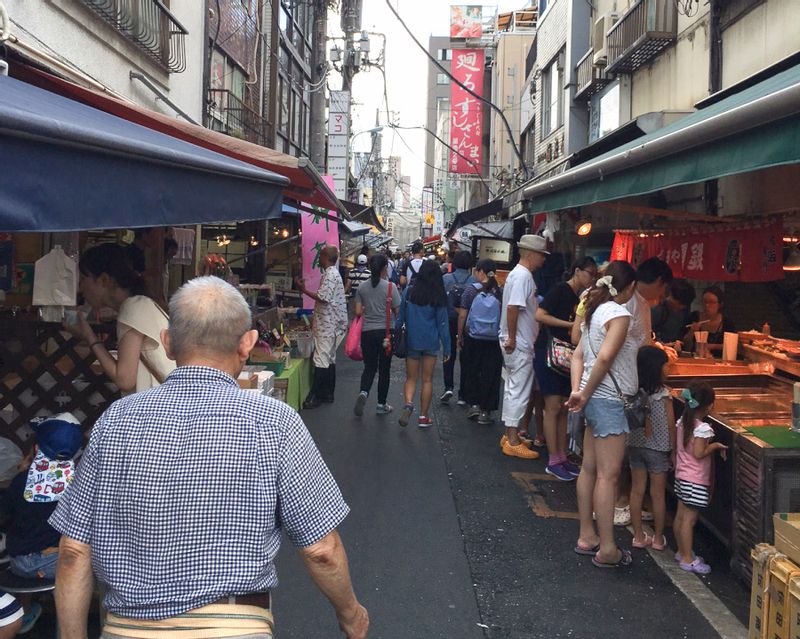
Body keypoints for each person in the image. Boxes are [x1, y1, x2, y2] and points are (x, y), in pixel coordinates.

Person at [50, 276, 368, 639]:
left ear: (168, 343)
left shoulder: (117, 420)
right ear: (247, 343)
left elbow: (74, 551)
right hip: (234, 627)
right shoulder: (273, 422)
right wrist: (350, 614)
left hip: (127, 628)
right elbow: (321, 549)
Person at [566, 260, 638, 568]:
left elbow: (577, 355)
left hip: (591, 400)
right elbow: (606, 357)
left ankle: (587, 535)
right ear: (630, 288)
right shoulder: (619, 314)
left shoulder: (594, 310)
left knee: (589, 470)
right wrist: (584, 393)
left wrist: (578, 391)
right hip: (607, 401)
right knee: (608, 475)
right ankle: (608, 549)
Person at [0, 413, 82, 634]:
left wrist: (20, 474)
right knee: (75, 577)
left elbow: (4, 515)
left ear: (36, 450)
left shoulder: (21, 483)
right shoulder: (80, 485)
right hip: (57, 564)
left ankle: (25, 612)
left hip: (20, 564)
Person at [68, 243, 175, 394]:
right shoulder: (141, 304)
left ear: (104, 280)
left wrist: (89, 335)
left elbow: (124, 379)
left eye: (84, 279)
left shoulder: (133, 308)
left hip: (159, 408)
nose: (80, 288)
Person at [614, 257, 673, 526]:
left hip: (635, 380)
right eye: (663, 289)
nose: (662, 295)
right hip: (623, 382)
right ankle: (619, 501)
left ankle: (628, 501)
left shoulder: (642, 304)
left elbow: (644, 341)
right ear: (658, 282)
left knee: (630, 446)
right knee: (621, 446)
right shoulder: (628, 301)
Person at [534, 257, 597, 481]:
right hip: (549, 353)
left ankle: (562, 457)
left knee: (562, 407)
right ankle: (553, 460)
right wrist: (571, 325)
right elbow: (539, 315)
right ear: (577, 271)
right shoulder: (561, 290)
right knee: (552, 406)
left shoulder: (584, 297)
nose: (592, 278)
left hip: (567, 357)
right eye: (590, 273)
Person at [499, 235, 549, 460]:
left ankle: (511, 436)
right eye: (541, 254)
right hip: (519, 342)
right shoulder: (523, 276)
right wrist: (511, 338)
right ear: (530, 254)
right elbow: (513, 308)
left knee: (514, 388)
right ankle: (511, 439)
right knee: (518, 390)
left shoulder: (518, 275)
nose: (543, 259)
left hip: (516, 341)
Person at [673, 381, 726, 574]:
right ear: (709, 406)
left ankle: (681, 550)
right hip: (695, 481)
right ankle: (688, 559)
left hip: (681, 477)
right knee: (689, 520)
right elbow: (698, 453)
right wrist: (714, 446)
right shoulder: (702, 428)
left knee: (680, 517)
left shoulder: (683, 422)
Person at [628, 346, 676, 552]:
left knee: (637, 490)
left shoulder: (634, 392)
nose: (667, 370)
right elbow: (671, 424)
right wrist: (673, 450)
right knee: (657, 494)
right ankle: (657, 538)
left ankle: (638, 536)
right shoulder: (664, 394)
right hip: (658, 449)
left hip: (635, 446)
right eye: (665, 366)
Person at [396, 260, 451, 428]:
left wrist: (395, 335)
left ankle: (408, 404)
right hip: (431, 342)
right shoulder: (438, 295)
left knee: (411, 378)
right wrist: (447, 347)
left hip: (412, 340)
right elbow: (443, 324)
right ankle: (423, 417)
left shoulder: (409, 292)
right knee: (427, 380)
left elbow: (400, 318)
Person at [295, 246, 348, 409]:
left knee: (321, 358)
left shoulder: (330, 275)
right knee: (329, 357)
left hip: (328, 323)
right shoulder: (333, 274)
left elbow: (323, 298)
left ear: (325, 257)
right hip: (331, 322)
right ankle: (328, 393)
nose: (318, 259)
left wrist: (303, 290)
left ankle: (316, 396)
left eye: (320, 256)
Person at [353, 254, 401, 416]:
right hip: (386, 333)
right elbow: (397, 311)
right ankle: (381, 405)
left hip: (367, 332)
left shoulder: (361, 288)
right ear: (383, 269)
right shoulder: (390, 287)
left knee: (369, 367)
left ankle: (364, 392)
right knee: (384, 369)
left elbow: (358, 312)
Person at [458, 259, 503, 425]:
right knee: (491, 373)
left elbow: (463, 315)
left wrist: (460, 335)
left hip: (474, 337)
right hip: (494, 339)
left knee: (473, 370)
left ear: (481, 271)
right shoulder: (501, 291)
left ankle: (474, 405)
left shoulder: (471, 290)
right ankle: (486, 411)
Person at [441, 250, 475, 405]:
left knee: (449, 353)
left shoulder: (446, 279)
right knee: (466, 357)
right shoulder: (474, 281)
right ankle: (464, 394)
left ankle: (448, 387)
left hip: (448, 320)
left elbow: (440, 300)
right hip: (468, 323)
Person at [683, 286, 736, 355]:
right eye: (705, 302)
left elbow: (732, 345)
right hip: (695, 358)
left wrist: (712, 346)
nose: (707, 305)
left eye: (711, 302)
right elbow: (685, 345)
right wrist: (691, 331)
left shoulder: (727, 323)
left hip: (719, 361)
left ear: (720, 305)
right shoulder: (694, 317)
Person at [651, 279, 696, 344]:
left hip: (677, 348)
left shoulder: (684, 312)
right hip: (659, 348)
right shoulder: (658, 309)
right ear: (671, 296)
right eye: (680, 303)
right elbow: (648, 333)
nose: (682, 307)